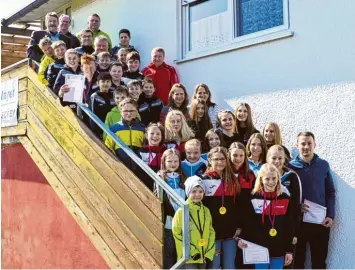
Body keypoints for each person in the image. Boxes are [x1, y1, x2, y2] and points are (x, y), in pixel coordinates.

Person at [289, 132, 335, 269]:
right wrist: (297, 206)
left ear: (314, 145)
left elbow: (330, 192)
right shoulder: (290, 167)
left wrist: (331, 216)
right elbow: (285, 195)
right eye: (303, 143)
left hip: (320, 222)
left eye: (309, 143)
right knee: (297, 262)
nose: (306, 146)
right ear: (297, 145)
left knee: (319, 262)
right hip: (298, 223)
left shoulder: (323, 165)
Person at [238, 163, 294, 269]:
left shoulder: (285, 198)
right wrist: (243, 238)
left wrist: (289, 250)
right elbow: (248, 223)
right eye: (267, 179)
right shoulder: (254, 197)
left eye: (274, 178)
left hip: (279, 248)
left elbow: (289, 226)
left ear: (278, 179)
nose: (271, 182)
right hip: (259, 248)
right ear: (261, 179)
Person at [201, 146, 241, 269]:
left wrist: (239, 226)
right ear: (209, 160)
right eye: (216, 159)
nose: (219, 162)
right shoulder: (203, 180)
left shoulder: (233, 179)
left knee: (230, 265)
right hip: (212, 231)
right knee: (214, 265)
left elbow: (238, 206)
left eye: (223, 159)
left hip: (230, 231)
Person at [172, 175, 216, 269]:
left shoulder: (206, 211)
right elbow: (177, 234)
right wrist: (192, 252)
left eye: (200, 191)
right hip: (188, 258)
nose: (197, 194)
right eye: (194, 191)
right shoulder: (182, 211)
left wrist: (209, 253)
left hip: (203, 257)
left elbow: (211, 232)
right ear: (188, 192)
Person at [267, 144, 302, 256]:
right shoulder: (261, 176)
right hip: (265, 228)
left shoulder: (291, 176)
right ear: (267, 158)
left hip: (285, 228)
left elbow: (296, 207)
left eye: (280, 158)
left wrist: (295, 233)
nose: (277, 161)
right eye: (273, 158)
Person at [228, 142, 256, 269]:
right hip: (227, 221)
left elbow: (251, 203)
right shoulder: (224, 174)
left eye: (241, 155)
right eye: (235, 155)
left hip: (245, 223)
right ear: (229, 155)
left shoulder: (250, 175)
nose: (237, 159)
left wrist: (241, 226)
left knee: (243, 260)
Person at [157, 148, 186, 269]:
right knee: (169, 249)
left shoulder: (183, 176)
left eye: (175, 161)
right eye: (170, 161)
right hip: (169, 219)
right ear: (164, 162)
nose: (173, 164)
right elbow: (159, 198)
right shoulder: (161, 176)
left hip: (183, 219)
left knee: (182, 250)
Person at [105, 98, 145, 169]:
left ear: (136, 112)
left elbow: (145, 148)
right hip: (120, 166)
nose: (129, 113)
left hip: (140, 167)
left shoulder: (142, 128)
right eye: (125, 111)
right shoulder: (114, 128)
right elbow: (108, 146)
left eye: (132, 111)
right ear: (120, 112)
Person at [138, 123, 166, 190]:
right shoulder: (142, 152)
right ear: (146, 135)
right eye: (152, 133)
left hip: (162, 186)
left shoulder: (165, 152)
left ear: (162, 136)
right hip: (146, 186)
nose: (155, 136)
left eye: (158, 134)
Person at [89, 72, 115, 138]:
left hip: (113, 129)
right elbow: (92, 116)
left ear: (111, 83)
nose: (105, 84)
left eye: (108, 81)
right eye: (103, 81)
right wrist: (96, 132)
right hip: (100, 130)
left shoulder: (115, 96)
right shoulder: (95, 97)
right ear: (98, 83)